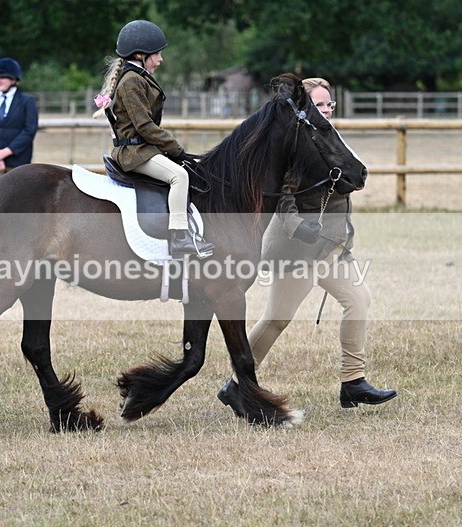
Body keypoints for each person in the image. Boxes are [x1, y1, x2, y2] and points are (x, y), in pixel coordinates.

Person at [217, 77, 397, 410]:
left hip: (332, 246)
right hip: (296, 247)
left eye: (330, 103)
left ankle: (353, 382)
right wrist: (301, 228)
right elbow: (283, 201)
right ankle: (236, 385)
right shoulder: (298, 146)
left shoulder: (330, 138)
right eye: (319, 104)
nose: (327, 109)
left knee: (358, 300)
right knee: (277, 319)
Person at [93, 20, 214, 258]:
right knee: (180, 176)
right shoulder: (132, 81)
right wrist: (177, 150)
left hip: (142, 149)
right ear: (139, 54)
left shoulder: (136, 76)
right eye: (156, 54)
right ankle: (180, 238)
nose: (160, 60)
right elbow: (145, 126)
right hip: (134, 153)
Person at [0, 57, 39, 176]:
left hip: (18, 163)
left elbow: (29, 130)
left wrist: (4, 153)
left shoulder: (27, 101)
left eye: (3, 77)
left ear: (14, 80)